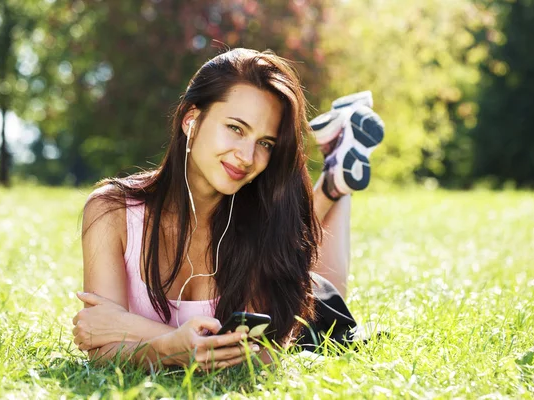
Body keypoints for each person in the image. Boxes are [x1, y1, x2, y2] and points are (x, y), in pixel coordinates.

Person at [72, 48, 384, 371]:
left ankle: (338, 179)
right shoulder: (111, 213)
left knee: (319, 289)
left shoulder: (262, 223)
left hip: (305, 317)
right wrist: (171, 345)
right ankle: (336, 172)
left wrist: (132, 329)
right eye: (236, 128)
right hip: (285, 267)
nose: (247, 157)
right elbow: (101, 350)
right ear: (191, 120)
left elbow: (258, 357)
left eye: (265, 143)